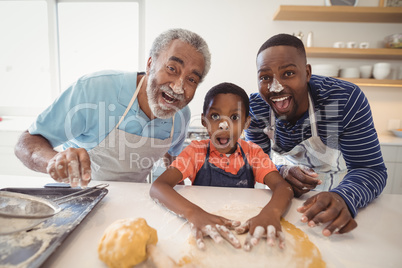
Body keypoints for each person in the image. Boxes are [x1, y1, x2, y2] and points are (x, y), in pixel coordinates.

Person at [14, 28, 211, 187]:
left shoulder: (181, 115)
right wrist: (54, 161)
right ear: (150, 64)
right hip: (76, 198)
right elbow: (26, 142)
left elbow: (171, 157)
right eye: (171, 69)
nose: (178, 87)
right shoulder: (95, 89)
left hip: (133, 205)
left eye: (191, 79)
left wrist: (177, 186)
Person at [245, 33, 387, 237]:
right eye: (265, 77)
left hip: (339, 194)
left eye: (288, 73)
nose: (275, 87)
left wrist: (344, 198)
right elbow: (255, 161)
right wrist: (282, 172)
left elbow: (370, 168)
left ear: (307, 73)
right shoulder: (257, 106)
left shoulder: (343, 99)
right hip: (282, 197)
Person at [150, 82, 294, 251]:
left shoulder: (253, 153)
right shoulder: (195, 152)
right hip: (202, 227)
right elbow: (158, 187)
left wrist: (271, 213)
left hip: (242, 230)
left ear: (246, 123)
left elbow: (282, 187)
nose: (223, 125)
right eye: (215, 116)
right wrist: (193, 213)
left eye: (234, 118)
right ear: (204, 121)